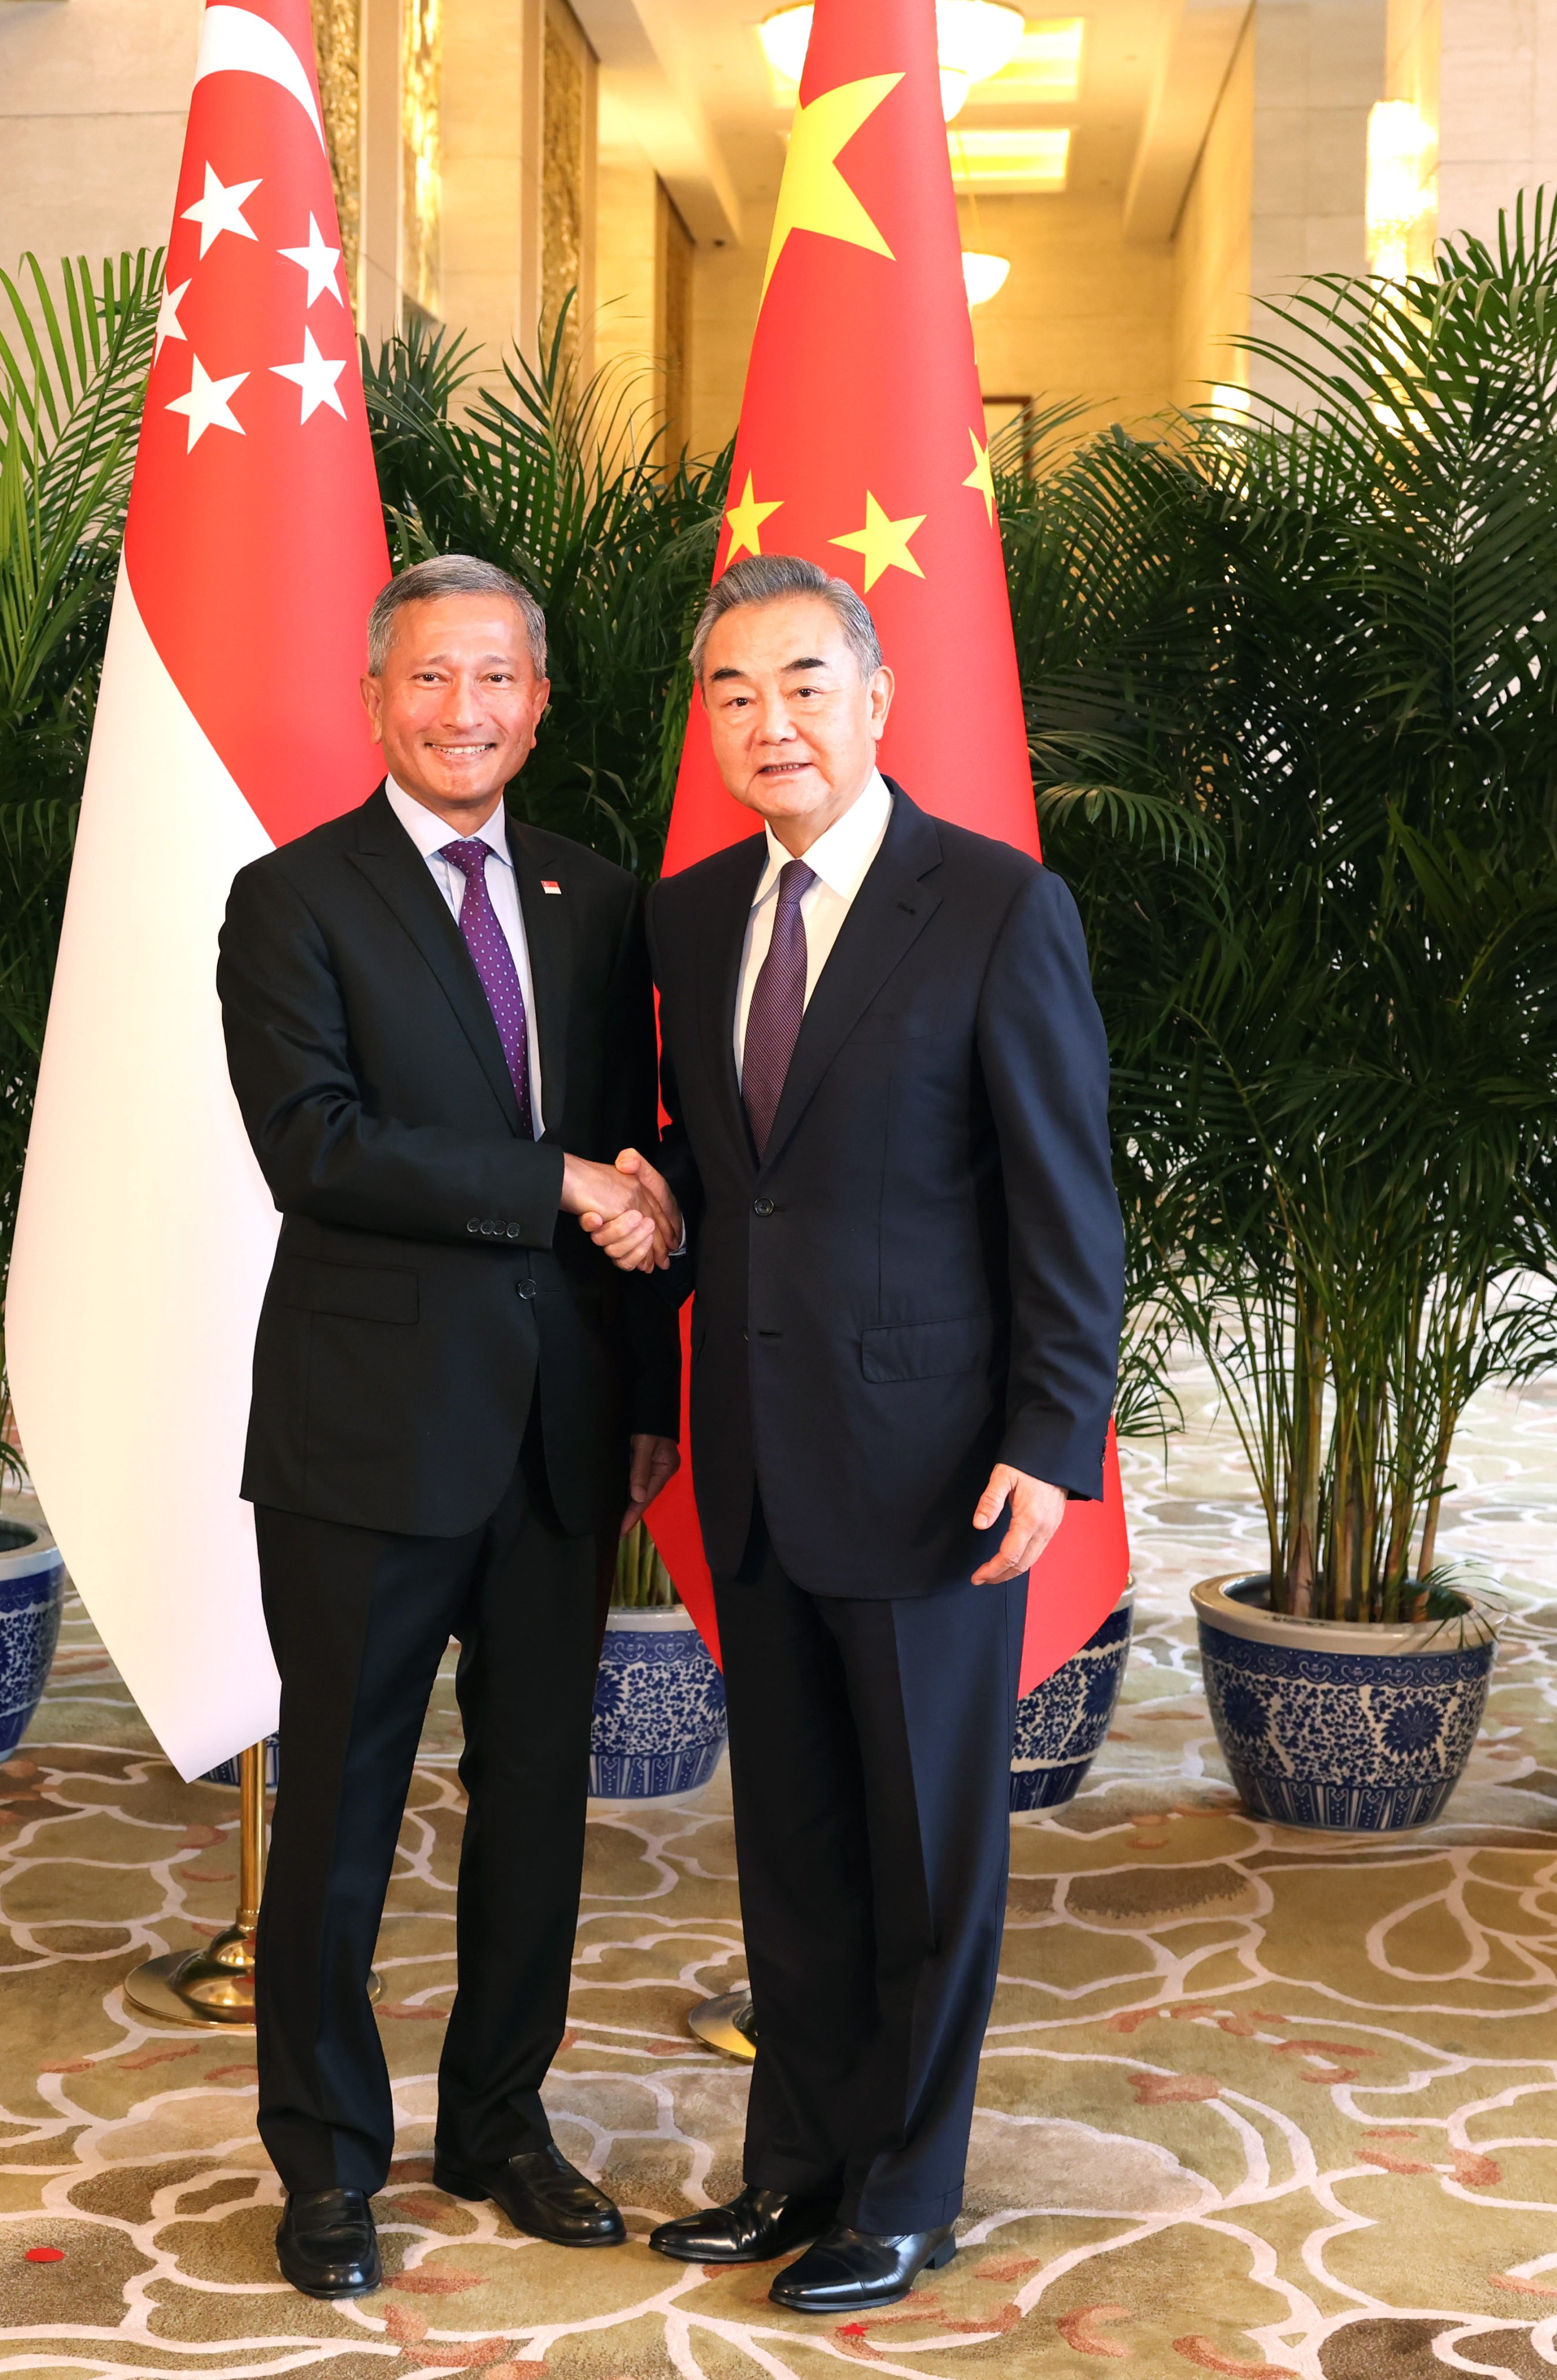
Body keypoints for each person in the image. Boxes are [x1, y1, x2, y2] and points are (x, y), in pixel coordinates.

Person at [593, 553, 1122, 2315]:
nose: (771, 723)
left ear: (878, 700)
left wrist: (1050, 1437)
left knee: (924, 1859)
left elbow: (1063, 1201)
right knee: (797, 1850)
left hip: (931, 1465)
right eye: (733, 693)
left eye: (805, 683)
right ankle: (795, 2165)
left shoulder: (990, 905)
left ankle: (906, 2189)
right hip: (752, 1455)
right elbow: (719, 1176)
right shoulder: (682, 916)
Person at [218, 554, 682, 2300]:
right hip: (366, 1440)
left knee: (537, 1806)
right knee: (340, 1811)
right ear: (376, 695)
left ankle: (498, 2122)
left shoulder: (595, 893)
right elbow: (316, 1149)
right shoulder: (292, 899)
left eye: (495, 680)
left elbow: (637, 1147)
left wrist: (644, 1385)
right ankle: (328, 2163)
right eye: (429, 679)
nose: (463, 710)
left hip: (564, 1437)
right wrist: (553, 1183)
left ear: (538, 700)